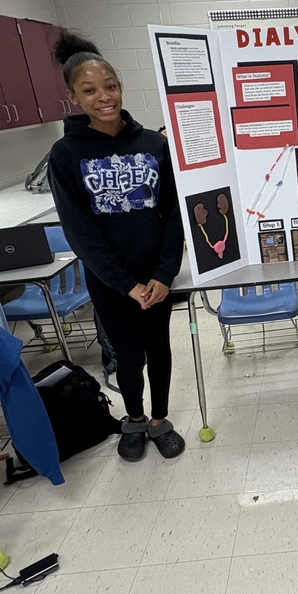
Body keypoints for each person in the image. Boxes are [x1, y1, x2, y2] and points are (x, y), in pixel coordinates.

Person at [48, 32, 186, 462]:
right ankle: (135, 419)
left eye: (110, 86)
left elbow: (174, 214)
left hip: (156, 276)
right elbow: (79, 230)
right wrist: (125, 284)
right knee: (126, 356)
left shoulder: (154, 145)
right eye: (89, 90)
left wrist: (163, 274)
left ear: (120, 87)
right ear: (73, 96)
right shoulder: (66, 154)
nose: (103, 97)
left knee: (159, 350)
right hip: (110, 281)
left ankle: (159, 419)